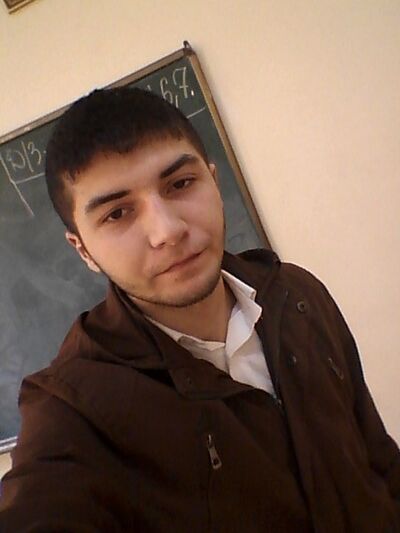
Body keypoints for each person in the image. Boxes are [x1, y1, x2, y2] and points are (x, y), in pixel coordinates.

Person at [0, 87, 399, 533]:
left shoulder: (296, 294)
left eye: (180, 184)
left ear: (213, 180)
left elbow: (378, 457)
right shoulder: (73, 411)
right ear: (83, 250)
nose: (167, 231)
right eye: (117, 214)